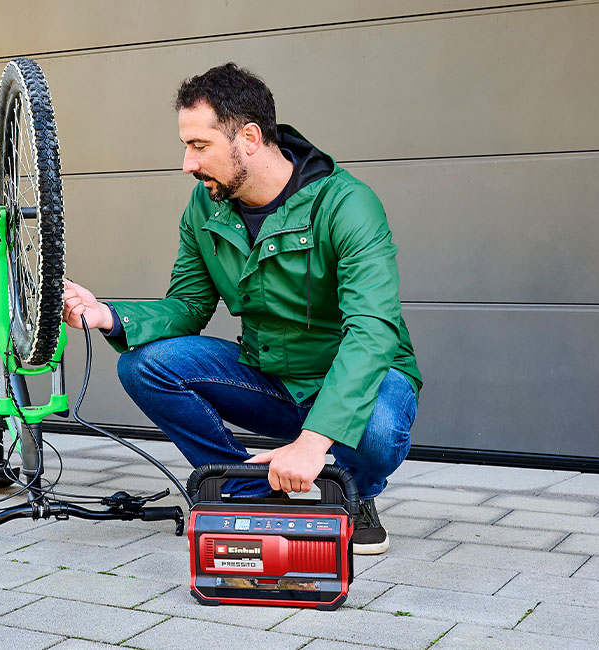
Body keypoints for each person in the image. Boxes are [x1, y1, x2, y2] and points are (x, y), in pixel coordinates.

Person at [62, 63, 422, 554]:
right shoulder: (205, 207)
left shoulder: (347, 204)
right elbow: (188, 305)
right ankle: (253, 491)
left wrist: (314, 442)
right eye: (187, 145)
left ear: (249, 138)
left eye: (199, 146)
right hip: (271, 379)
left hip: (359, 378)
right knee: (145, 365)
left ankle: (351, 492)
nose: (188, 163)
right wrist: (108, 315)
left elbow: (372, 331)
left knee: (379, 430)